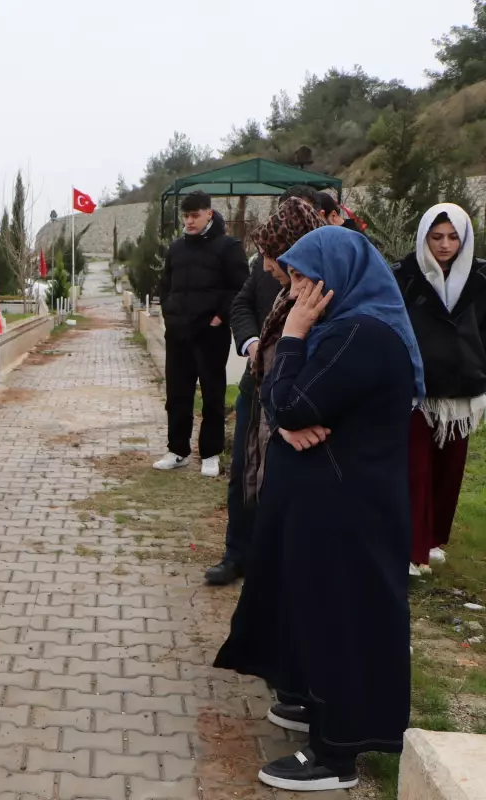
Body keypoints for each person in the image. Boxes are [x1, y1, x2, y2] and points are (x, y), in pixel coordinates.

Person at [215, 226, 423, 791]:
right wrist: (287, 416)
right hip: (330, 503)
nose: (295, 291)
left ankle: (337, 754)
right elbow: (281, 401)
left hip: (347, 511)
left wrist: (294, 337)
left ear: (338, 276)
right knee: (317, 614)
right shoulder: (345, 327)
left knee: (341, 621)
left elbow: (288, 401)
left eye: (306, 279)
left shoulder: (360, 334)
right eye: (292, 279)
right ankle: (318, 707)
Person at [205, 193, 328, 586]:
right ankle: (236, 553)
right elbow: (241, 306)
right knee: (244, 470)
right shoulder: (264, 268)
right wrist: (253, 344)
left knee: (282, 480)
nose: (270, 266)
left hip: (297, 397)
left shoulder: (323, 282)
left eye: (274, 258)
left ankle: (274, 561)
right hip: (256, 386)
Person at [395, 203, 486, 574]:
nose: (445, 245)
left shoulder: (481, 278)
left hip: (463, 390)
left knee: (449, 472)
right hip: (416, 390)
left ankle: (431, 540)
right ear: (424, 237)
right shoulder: (404, 276)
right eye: (436, 237)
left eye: (452, 237)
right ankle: (411, 548)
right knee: (415, 469)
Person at [155, 191, 249, 477]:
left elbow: (240, 288)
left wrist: (220, 317)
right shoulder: (176, 249)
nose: (189, 221)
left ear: (209, 213)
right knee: (177, 395)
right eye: (185, 216)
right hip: (178, 334)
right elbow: (165, 286)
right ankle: (177, 450)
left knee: (212, 394)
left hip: (211, 334)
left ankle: (210, 453)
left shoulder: (229, 247)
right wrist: (170, 313)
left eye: (195, 215)